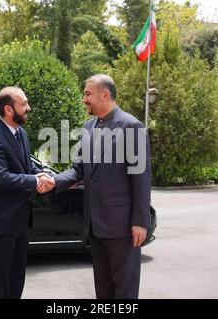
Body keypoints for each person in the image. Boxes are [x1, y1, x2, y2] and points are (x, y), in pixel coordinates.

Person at [41, 74, 151, 299]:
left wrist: (140, 221)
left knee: (124, 290)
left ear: (105, 95)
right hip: (95, 226)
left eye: (87, 93)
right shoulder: (89, 127)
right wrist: (55, 180)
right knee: (103, 289)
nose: (84, 99)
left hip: (122, 227)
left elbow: (141, 179)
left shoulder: (131, 126)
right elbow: (79, 168)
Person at [0, 86, 52, 299]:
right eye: (24, 104)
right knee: (0, 286)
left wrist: (44, 175)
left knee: (16, 281)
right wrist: (33, 180)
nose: (28, 108)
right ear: (9, 110)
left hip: (19, 222)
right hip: (0, 224)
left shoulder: (21, 133)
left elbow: (26, 165)